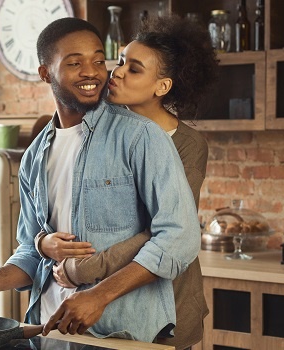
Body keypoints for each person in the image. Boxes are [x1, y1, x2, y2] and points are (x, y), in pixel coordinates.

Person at [0, 17, 200, 343]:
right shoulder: (34, 156)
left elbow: (180, 236)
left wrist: (99, 295)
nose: (92, 71)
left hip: (121, 335)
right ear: (46, 73)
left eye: (97, 60)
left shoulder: (140, 136)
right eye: (75, 63)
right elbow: (33, 249)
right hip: (47, 333)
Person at [37, 15, 219, 350]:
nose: (115, 72)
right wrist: (42, 242)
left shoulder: (187, 145)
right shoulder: (96, 128)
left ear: (161, 86)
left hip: (169, 307)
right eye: (119, 61)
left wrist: (84, 270)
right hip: (107, 317)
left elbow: (165, 232)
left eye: (133, 69)